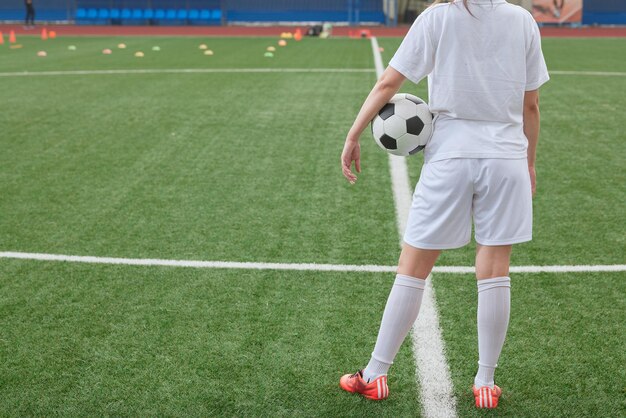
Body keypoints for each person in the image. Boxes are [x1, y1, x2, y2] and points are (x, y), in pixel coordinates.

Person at [339, 0, 549, 409]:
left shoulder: (436, 17)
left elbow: (388, 85)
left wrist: (353, 135)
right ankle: (485, 382)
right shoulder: (523, 20)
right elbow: (531, 105)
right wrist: (529, 162)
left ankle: (375, 374)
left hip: (450, 156)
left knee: (413, 266)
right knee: (494, 269)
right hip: (506, 157)